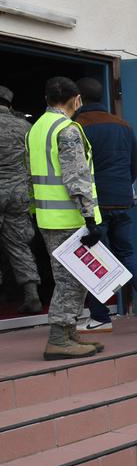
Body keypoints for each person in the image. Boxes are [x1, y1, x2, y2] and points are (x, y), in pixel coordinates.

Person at [73, 78, 137, 332]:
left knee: (94, 257)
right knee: (125, 252)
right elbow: (133, 166)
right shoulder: (124, 126)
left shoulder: (77, 127)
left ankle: (100, 316)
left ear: (78, 99)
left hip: (95, 203)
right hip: (122, 199)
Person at [27, 77, 104, 360]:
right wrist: (90, 218)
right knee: (72, 279)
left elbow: (29, 176)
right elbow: (77, 178)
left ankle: (69, 332)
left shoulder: (35, 129)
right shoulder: (67, 130)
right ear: (76, 99)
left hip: (49, 218)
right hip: (69, 219)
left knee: (73, 277)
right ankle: (59, 338)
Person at [0, 85, 42, 314]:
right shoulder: (27, 127)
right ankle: (32, 294)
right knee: (18, 244)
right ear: (10, 104)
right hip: (18, 194)